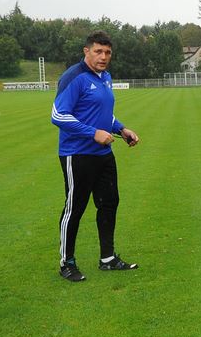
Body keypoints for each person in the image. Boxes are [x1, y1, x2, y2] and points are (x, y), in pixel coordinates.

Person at [52, 30, 140, 281]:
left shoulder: (105, 77)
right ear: (86, 51)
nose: (103, 57)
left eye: (108, 52)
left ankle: (108, 258)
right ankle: (66, 263)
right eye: (98, 51)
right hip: (77, 154)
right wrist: (93, 133)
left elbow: (103, 115)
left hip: (103, 154)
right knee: (75, 208)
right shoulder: (74, 76)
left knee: (109, 202)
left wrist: (121, 128)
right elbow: (58, 115)